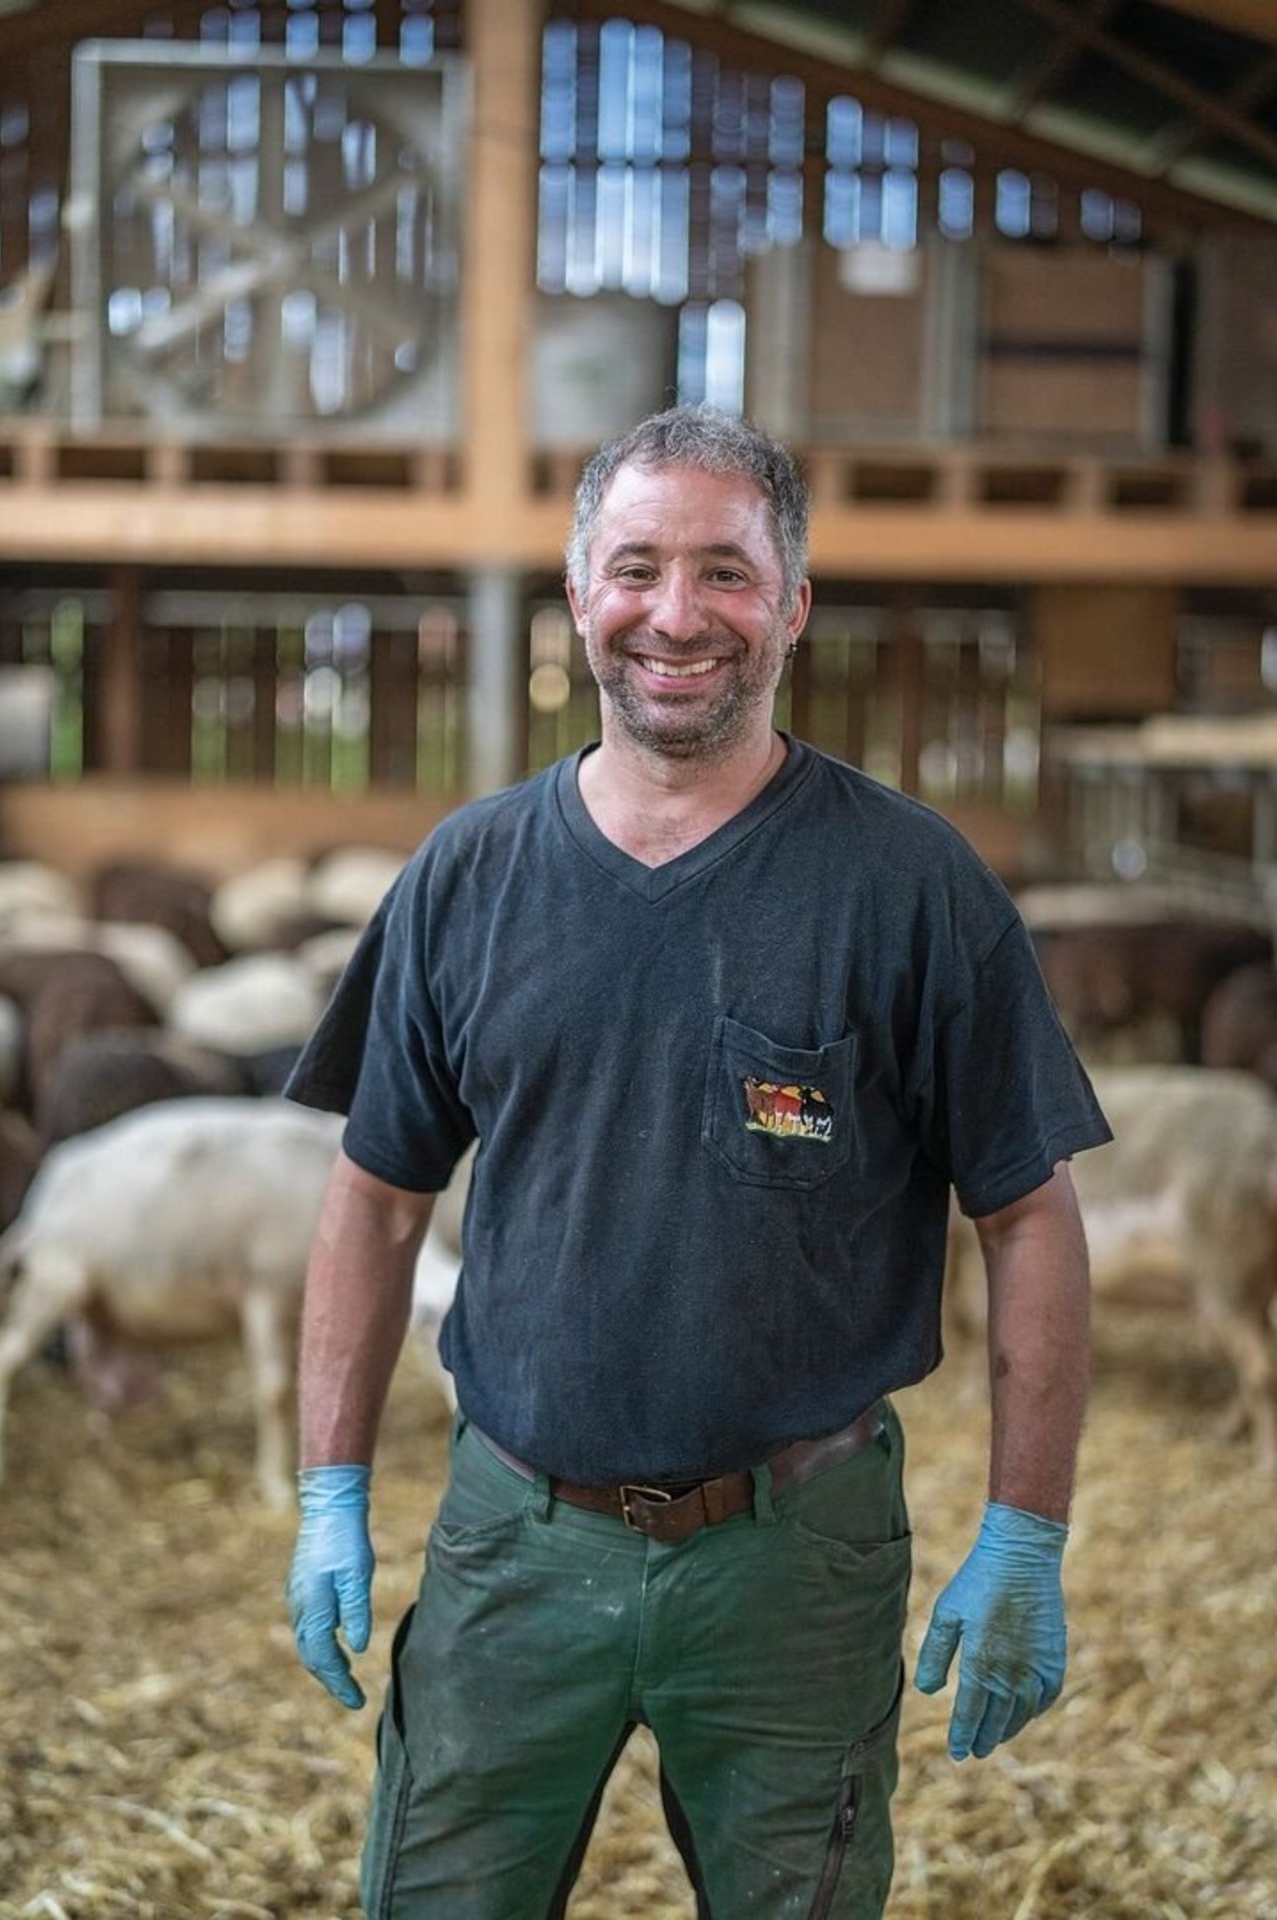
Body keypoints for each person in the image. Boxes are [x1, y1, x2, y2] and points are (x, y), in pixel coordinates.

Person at [284, 405, 1111, 1920]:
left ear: (793, 607)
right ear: (577, 589)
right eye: (637, 567)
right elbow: (378, 1195)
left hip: (797, 1557)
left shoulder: (909, 884)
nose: (677, 615)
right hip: (515, 1544)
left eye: (728, 574)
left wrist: (1027, 1529)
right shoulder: (471, 876)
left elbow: (1029, 1213)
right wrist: (329, 1487)